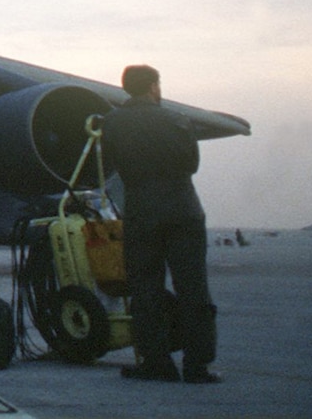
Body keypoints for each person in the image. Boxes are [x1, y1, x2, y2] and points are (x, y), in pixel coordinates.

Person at [100, 64, 218, 384]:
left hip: (141, 211)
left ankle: (156, 361)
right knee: (193, 288)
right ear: (153, 86)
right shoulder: (176, 119)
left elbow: (109, 161)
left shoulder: (112, 123)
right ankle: (197, 365)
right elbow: (191, 164)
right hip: (183, 210)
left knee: (145, 290)